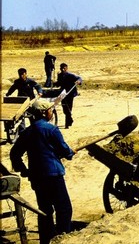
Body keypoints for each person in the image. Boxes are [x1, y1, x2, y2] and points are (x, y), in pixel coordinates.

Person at [10, 99, 75, 244]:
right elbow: (64, 150)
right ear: (44, 113)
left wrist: (24, 170)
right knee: (64, 208)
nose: (52, 112)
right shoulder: (51, 129)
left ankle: (46, 240)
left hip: (37, 177)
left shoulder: (27, 132)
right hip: (53, 175)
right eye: (50, 110)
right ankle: (62, 238)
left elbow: (14, 154)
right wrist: (70, 153)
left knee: (44, 210)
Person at [54, 63, 82, 129]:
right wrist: (55, 83)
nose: (63, 70)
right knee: (65, 109)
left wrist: (78, 81)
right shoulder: (60, 75)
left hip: (70, 93)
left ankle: (67, 123)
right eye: (61, 68)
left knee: (69, 108)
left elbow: (79, 78)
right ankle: (70, 119)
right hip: (63, 93)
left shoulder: (70, 75)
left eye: (64, 68)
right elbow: (59, 83)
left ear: (66, 68)